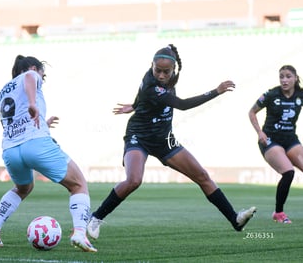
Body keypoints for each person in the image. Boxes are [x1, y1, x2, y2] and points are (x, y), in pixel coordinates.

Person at [87, 44, 257, 240]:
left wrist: (134, 105)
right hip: (139, 135)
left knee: (202, 175)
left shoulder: (169, 76)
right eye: (157, 70)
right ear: (151, 66)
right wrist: (216, 91)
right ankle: (96, 217)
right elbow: (182, 105)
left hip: (164, 138)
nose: (160, 75)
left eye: (165, 72)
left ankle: (235, 219)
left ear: (173, 69)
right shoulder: (152, 85)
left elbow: (141, 93)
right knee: (134, 180)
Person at [0, 55, 97, 252]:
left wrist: (43, 122)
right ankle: (79, 232)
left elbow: (18, 119)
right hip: (35, 145)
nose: (41, 79)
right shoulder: (30, 75)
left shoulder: (3, 91)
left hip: (10, 150)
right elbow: (29, 78)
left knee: (22, 188)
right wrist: (33, 103)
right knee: (78, 184)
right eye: (42, 75)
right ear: (35, 68)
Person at [248, 65, 303, 224]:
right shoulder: (271, 94)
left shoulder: (301, 94)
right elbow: (251, 112)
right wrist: (260, 132)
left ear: (295, 78)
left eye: (288, 76)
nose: (284, 80)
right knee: (288, 172)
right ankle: (278, 213)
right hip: (271, 140)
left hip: (291, 140)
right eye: (281, 77)